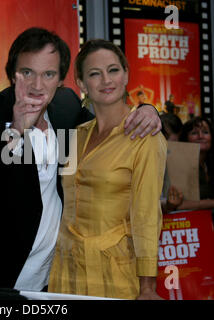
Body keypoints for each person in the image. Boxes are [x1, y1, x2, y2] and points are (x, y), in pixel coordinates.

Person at [0, 28, 161, 291]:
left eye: (49, 74)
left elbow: (107, 130)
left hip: (46, 283)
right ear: (11, 74)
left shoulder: (66, 109)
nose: (37, 85)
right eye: (27, 72)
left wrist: (147, 109)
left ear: (61, 80)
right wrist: (16, 132)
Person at [48, 39, 167, 299]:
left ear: (126, 74)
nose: (106, 80)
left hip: (114, 275)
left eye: (113, 70)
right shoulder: (75, 135)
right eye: (94, 73)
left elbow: (147, 214)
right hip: (65, 272)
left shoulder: (144, 136)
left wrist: (147, 287)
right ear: (81, 83)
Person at [171, 117, 214, 210]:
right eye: (194, 133)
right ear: (185, 138)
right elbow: (177, 205)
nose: (200, 136)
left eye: (205, 132)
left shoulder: (209, 163)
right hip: (189, 221)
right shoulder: (179, 164)